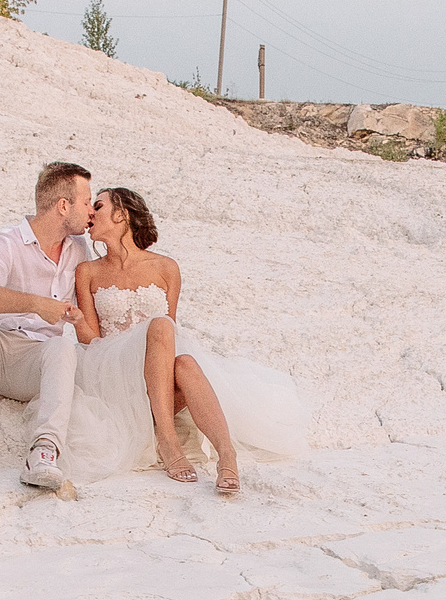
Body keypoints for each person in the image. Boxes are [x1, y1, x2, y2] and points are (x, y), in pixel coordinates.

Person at [63, 184, 307, 494]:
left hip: (159, 379)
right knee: (162, 326)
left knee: (185, 360)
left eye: (98, 206)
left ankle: (226, 453)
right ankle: (168, 439)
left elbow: (170, 335)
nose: (90, 213)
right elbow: (90, 342)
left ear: (122, 214)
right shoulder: (87, 272)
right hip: (115, 378)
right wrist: (78, 320)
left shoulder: (167, 268)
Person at [0, 161, 99, 488]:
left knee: (62, 345)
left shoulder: (79, 251)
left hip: (32, 364)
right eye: (87, 201)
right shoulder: (5, 242)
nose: (91, 210)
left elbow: (88, 324)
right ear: (63, 206)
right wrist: (34, 304)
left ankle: (44, 451)